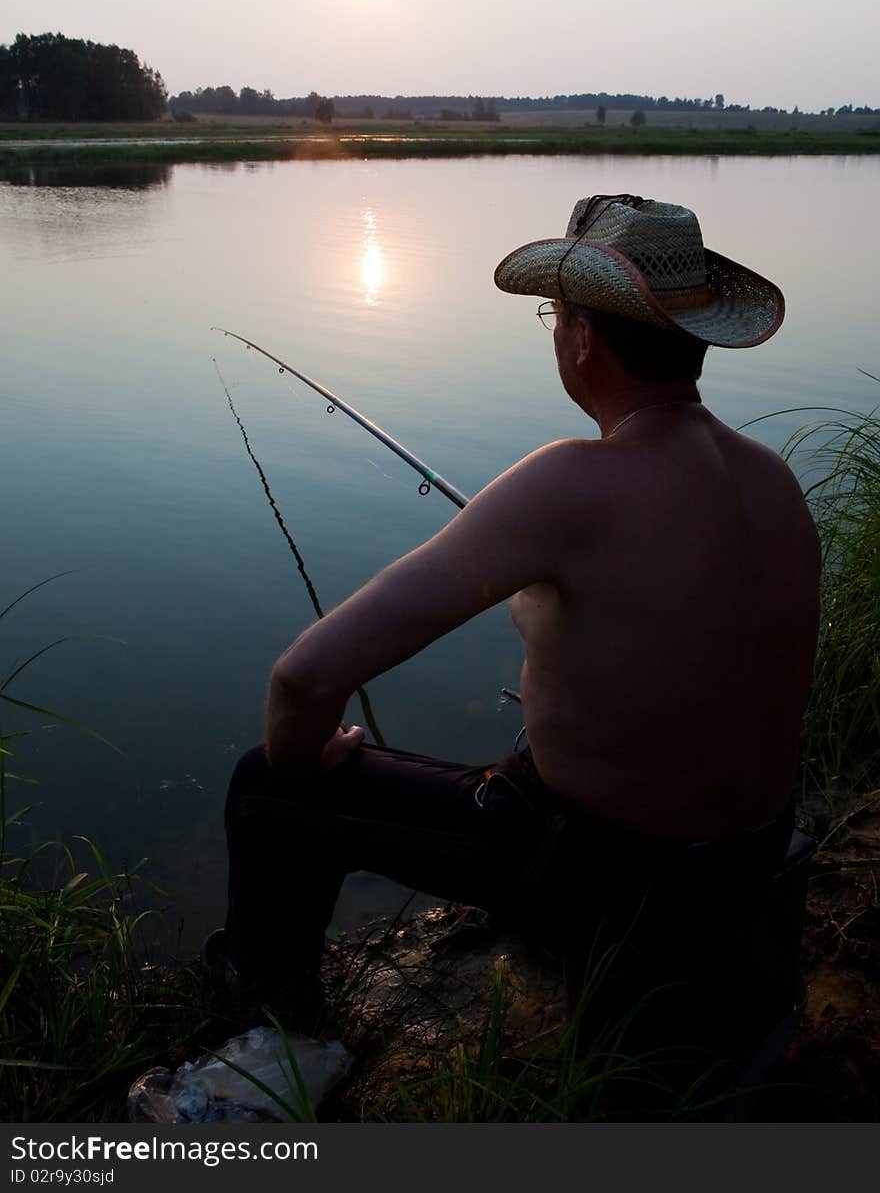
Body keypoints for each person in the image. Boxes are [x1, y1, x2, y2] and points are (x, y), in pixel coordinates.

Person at [208, 193, 821, 1025]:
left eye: (555, 314)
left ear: (580, 335)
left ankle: (264, 1016)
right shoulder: (774, 483)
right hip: (749, 860)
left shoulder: (568, 482)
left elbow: (302, 677)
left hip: (618, 880)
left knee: (263, 784)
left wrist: (303, 760)